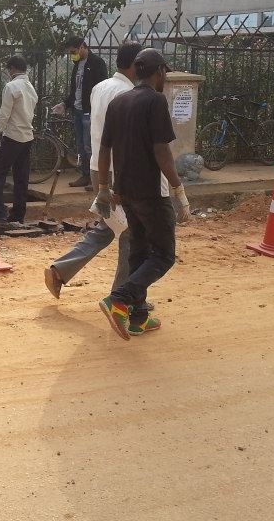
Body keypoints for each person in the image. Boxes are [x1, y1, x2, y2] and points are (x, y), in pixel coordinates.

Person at [44, 43, 152, 313]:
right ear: (137, 65)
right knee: (132, 233)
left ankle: (60, 270)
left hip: (97, 168)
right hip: (119, 171)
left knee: (109, 227)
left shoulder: (100, 88)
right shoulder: (130, 93)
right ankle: (123, 298)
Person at [97, 48, 191, 341]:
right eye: (165, 72)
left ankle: (137, 318)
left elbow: (104, 149)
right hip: (151, 192)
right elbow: (161, 149)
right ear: (159, 71)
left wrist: (103, 186)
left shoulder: (119, 102)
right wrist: (178, 188)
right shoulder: (155, 100)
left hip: (125, 191)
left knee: (139, 253)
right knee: (163, 255)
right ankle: (120, 299)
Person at [0, 56, 38, 225]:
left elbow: (3, 117)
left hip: (13, 136)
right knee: (21, 177)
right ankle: (18, 214)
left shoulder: (11, 86)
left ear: (13, 69)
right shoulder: (31, 88)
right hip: (27, 137)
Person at [52, 36, 108, 190]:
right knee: (81, 146)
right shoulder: (77, 65)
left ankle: (94, 178)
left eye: (74, 51)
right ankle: (85, 175)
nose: (72, 55)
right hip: (77, 110)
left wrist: (95, 107)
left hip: (90, 111)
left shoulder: (97, 63)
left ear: (83, 47)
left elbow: (102, 88)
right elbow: (75, 90)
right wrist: (65, 104)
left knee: (90, 145)